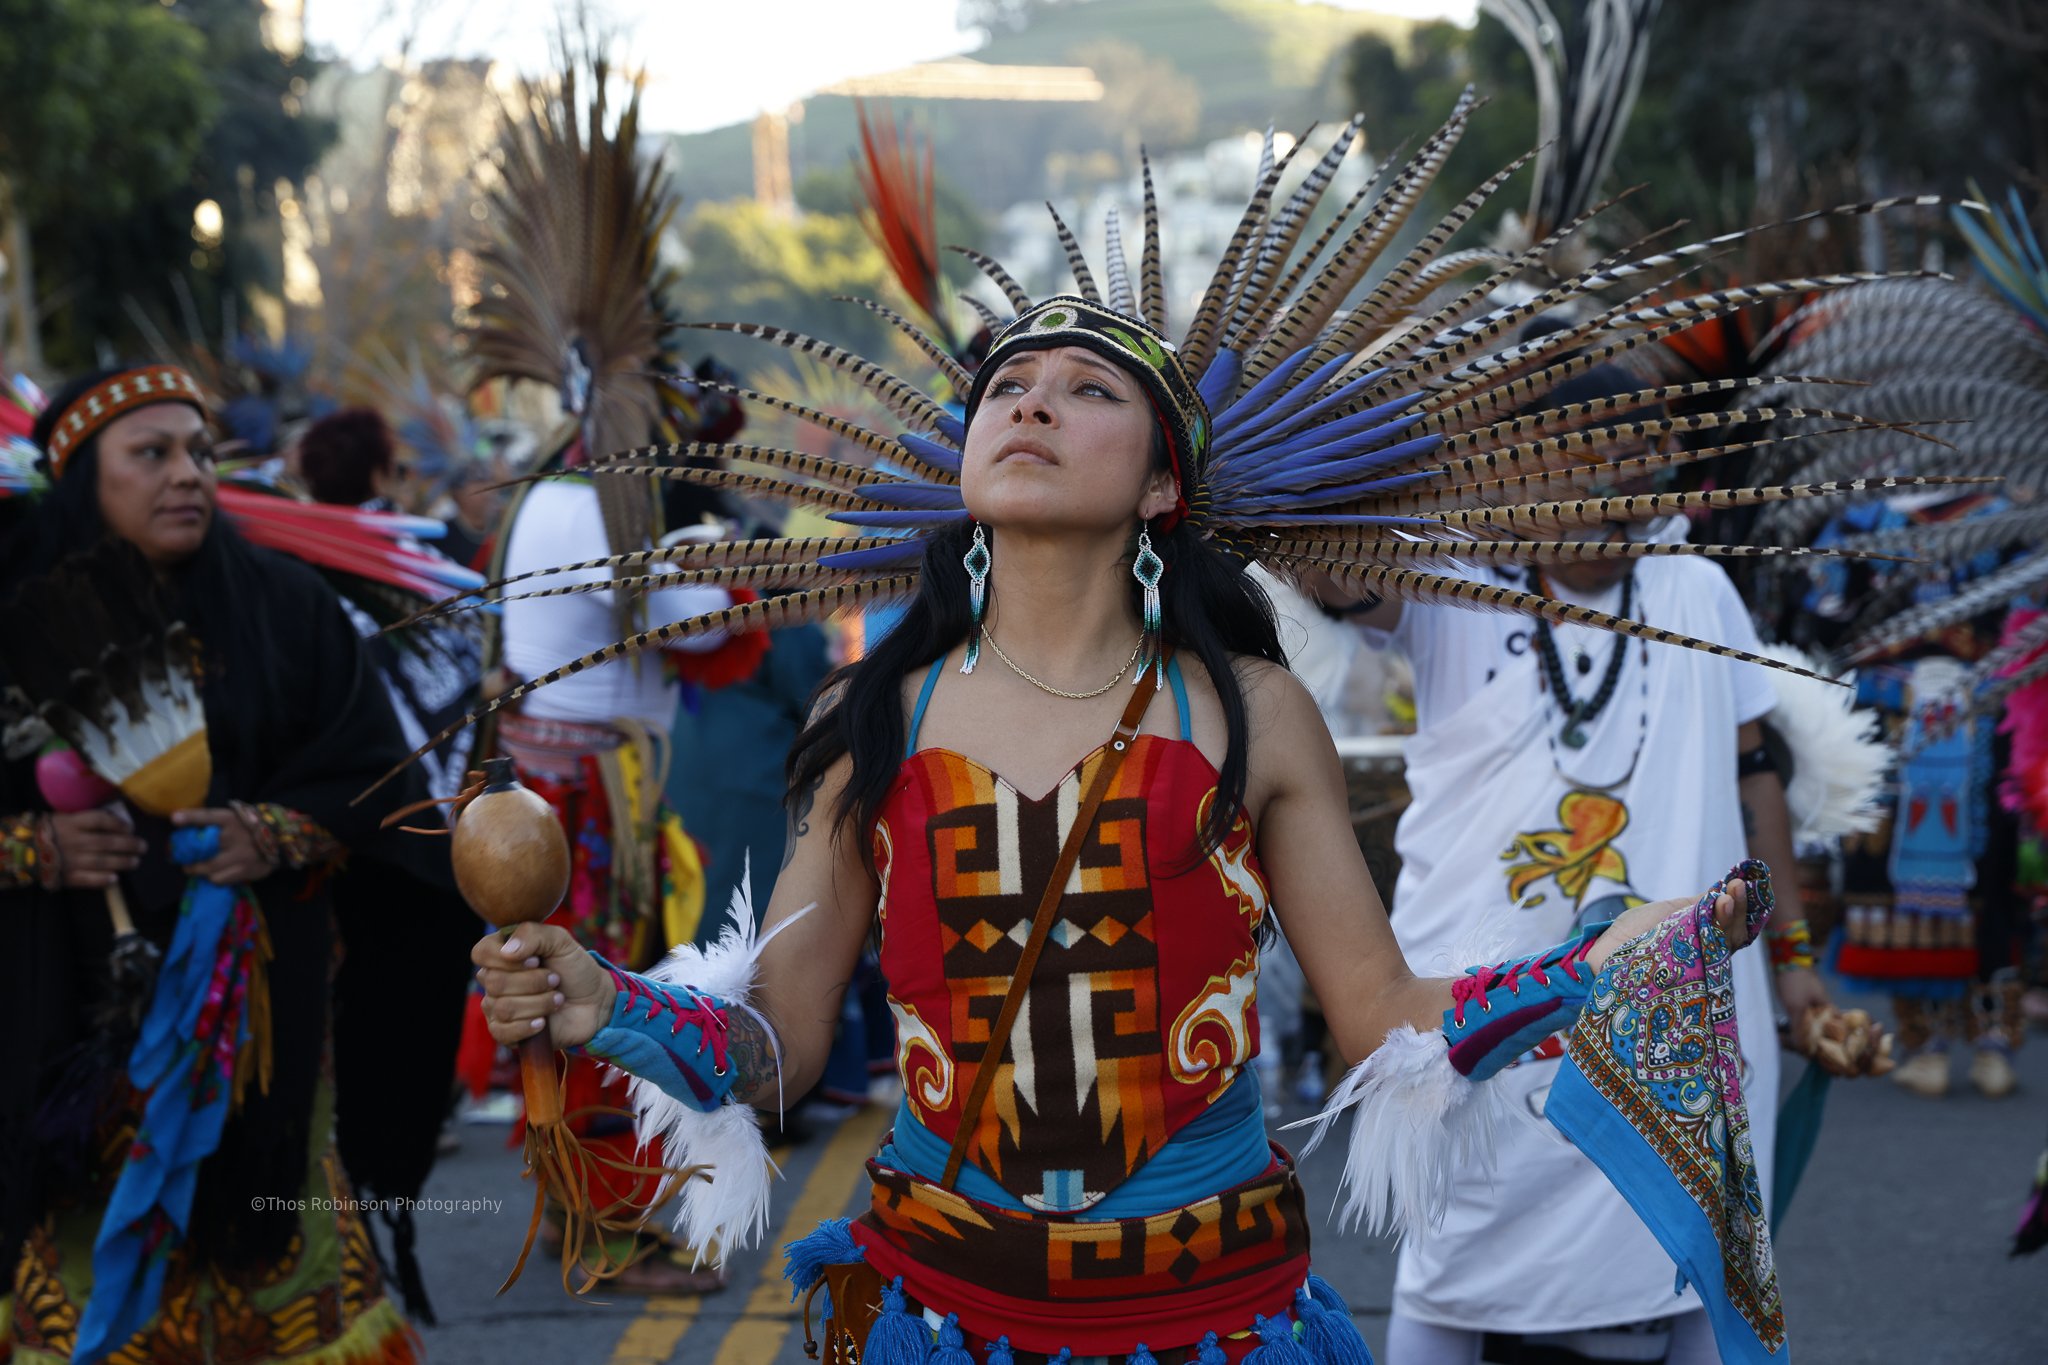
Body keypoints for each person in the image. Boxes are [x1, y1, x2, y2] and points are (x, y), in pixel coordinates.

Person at [0, 366, 425, 1362]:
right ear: (81, 483)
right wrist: (36, 847)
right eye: (150, 455)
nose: (186, 475)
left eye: (198, 452)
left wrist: (273, 831)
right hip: (66, 1042)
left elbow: (382, 787)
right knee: (90, 1302)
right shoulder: (17, 623)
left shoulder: (286, 608)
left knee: (283, 1272)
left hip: (262, 1041)